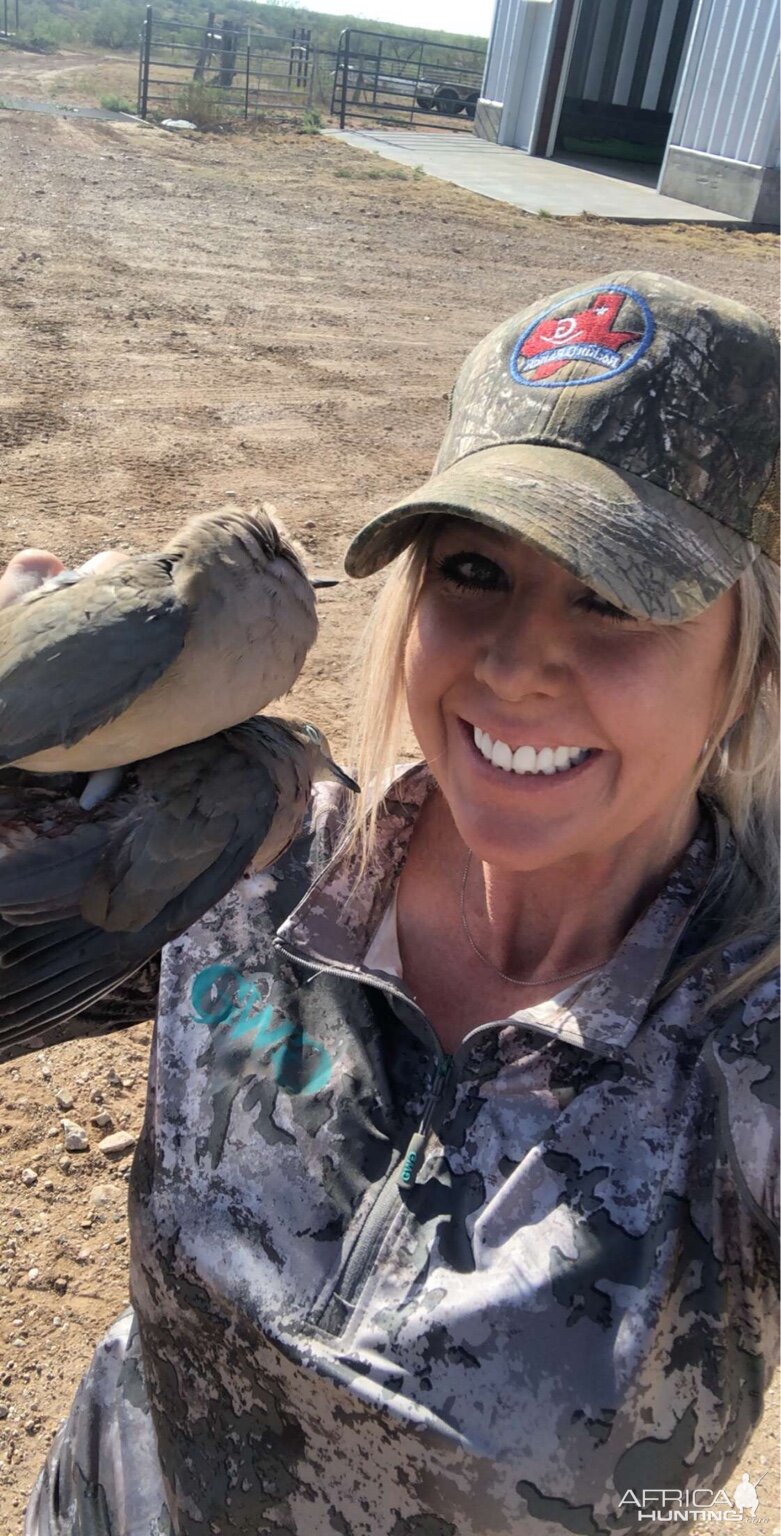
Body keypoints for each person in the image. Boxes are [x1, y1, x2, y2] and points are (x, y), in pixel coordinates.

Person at [4, 270, 778, 1536]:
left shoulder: (744, 1043)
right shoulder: (255, 856)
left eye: (616, 596)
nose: (518, 660)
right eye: (472, 569)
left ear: (748, 670)